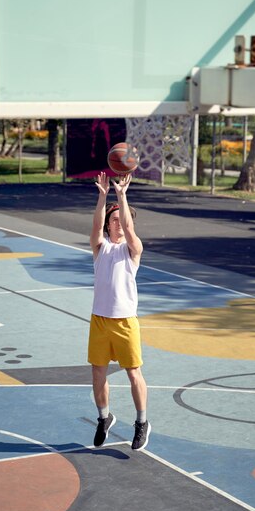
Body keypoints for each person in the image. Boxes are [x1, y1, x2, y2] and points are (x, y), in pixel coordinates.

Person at [88, 170, 150, 451]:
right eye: (114, 221)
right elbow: (95, 225)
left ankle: (141, 422)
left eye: (121, 221)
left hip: (125, 322)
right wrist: (103, 197)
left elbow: (129, 224)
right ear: (108, 226)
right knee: (97, 373)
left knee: (133, 373)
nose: (119, 225)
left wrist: (122, 196)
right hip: (100, 320)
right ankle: (104, 417)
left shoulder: (132, 249)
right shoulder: (100, 247)